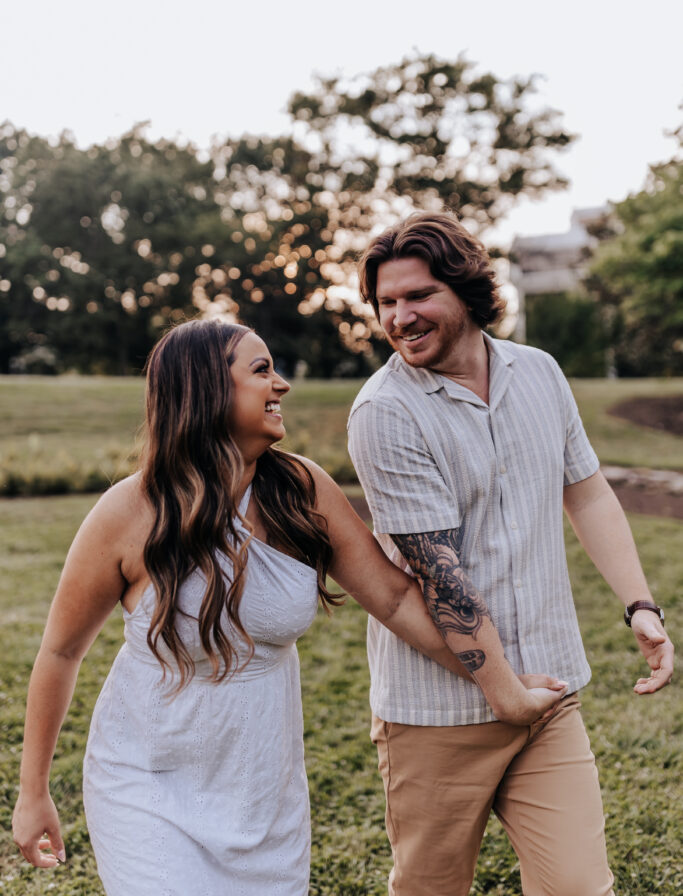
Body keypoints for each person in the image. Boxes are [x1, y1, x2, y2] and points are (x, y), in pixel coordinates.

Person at [11, 319, 565, 896]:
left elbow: (398, 599)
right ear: (207, 390)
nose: (282, 385)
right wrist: (33, 793)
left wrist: (494, 676)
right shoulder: (129, 511)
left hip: (261, 786)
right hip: (146, 780)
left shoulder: (302, 490)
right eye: (261, 371)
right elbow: (60, 651)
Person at [347, 212, 674, 896]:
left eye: (417, 296)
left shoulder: (539, 373)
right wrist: (505, 695)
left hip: (550, 694)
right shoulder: (385, 412)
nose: (399, 317)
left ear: (466, 292)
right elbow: (440, 577)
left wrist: (638, 604)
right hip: (435, 715)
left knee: (579, 888)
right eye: (386, 303)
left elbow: (585, 493)